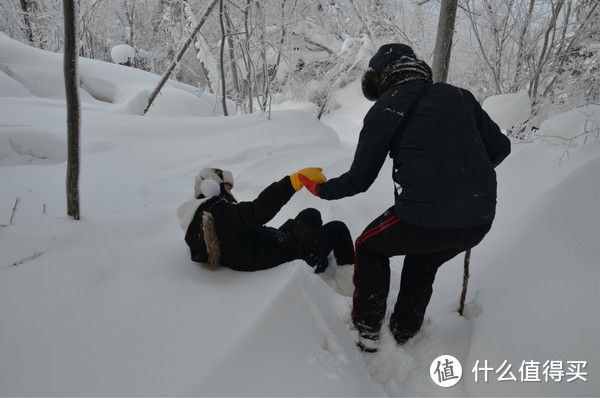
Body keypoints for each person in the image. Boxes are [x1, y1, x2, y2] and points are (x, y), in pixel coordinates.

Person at [299, 43, 511, 352]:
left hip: (423, 216)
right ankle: (403, 330)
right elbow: (500, 149)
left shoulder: (386, 108)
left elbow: (359, 179)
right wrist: (461, 170)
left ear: (381, 78)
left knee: (369, 247)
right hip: (478, 220)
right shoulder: (459, 97)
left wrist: (320, 189)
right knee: (423, 260)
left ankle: (368, 331)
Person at [177, 167, 354, 272]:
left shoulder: (203, 218)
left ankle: (318, 251)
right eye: (228, 188)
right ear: (213, 189)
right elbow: (257, 211)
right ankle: (347, 282)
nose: (231, 193)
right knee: (338, 229)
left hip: (268, 244)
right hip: (285, 256)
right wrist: (292, 183)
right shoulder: (221, 214)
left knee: (311, 214)